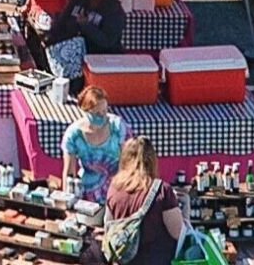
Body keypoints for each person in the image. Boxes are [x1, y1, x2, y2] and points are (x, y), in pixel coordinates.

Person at [104, 137, 183, 265]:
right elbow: (178, 233)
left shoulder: (114, 189)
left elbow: (108, 225)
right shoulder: (162, 191)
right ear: (152, 160)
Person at [45, 0, 127, 79]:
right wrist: (49, 37)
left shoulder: (114, 11)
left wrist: (86, 25)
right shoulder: (78, 0)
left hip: (99, 67)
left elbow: (108, 41)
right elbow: (60, 23)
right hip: (69, 64)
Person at [62, 86, 128, 202]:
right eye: (97, 113)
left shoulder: (118, 127)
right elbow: (69, 173)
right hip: (87, 192)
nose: (103, 116)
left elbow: (128, 163)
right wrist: (67, 201)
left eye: (105, 111)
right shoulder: (73, 134)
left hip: (117, 189)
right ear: (85, 111)